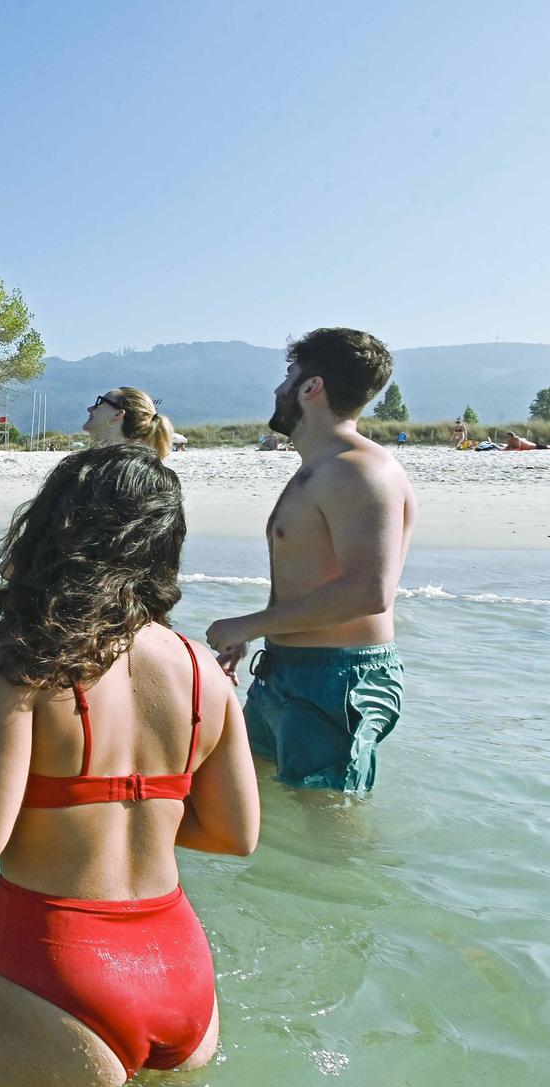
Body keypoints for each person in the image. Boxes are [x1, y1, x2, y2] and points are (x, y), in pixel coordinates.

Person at [0, 444, 259, 1087]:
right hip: (180, 972)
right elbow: (236, 834)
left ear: (56, 529)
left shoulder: (23, 658)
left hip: (59, 969)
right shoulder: (203, 672)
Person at [206, 328, 415, 794]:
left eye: (288, 376)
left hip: (337, 679)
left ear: (310, 387)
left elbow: (369, 592)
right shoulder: (321, 468)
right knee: (264, 813)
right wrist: (260, 635)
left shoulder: (359, 471)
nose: (279, 389)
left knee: (330, 836)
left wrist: (249, 624)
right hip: (287, 669)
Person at [82, 387, 176, 458]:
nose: (89, 409)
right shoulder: (147, 472)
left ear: (118, 414)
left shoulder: (99, 471)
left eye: (100, 403)